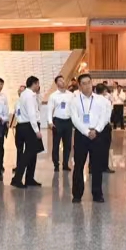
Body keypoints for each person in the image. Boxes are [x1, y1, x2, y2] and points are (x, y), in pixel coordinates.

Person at [69, 73, 109, 204]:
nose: (87, 86)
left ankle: (97, 194)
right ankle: (77, 194)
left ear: (92, 83)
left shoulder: (101, 100)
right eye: (84, 84)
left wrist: (96, 130)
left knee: (97, 165)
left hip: (97, 134)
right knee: (79, 165)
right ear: (79, 86)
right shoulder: (74, 101)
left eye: (89, 83)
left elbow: (104, 116)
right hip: (81, 135)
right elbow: (75, 119)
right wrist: (87, 132)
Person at [11, 76, 43, 188]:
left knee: (32, 153)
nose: (39, 86)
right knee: (28, 154)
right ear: (34, 84)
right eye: (38, 84)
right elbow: (32, 114)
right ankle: (17, 179)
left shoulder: (25, 94)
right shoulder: (29, 96)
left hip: (23, 126)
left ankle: (29, 178)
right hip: (29, 126)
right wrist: (36, 130)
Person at [47, 75, 73, 172]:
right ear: (56, 83)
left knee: (68, 145)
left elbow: (74, 108)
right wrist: (50, 122)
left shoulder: (71, 95)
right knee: (56, 144)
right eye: (60, 80)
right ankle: (56, 164)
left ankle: (65, 164)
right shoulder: (53, 96)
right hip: (58, 121)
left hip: (68, 121)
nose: (63, 81)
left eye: (63, 80)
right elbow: (49, 109)